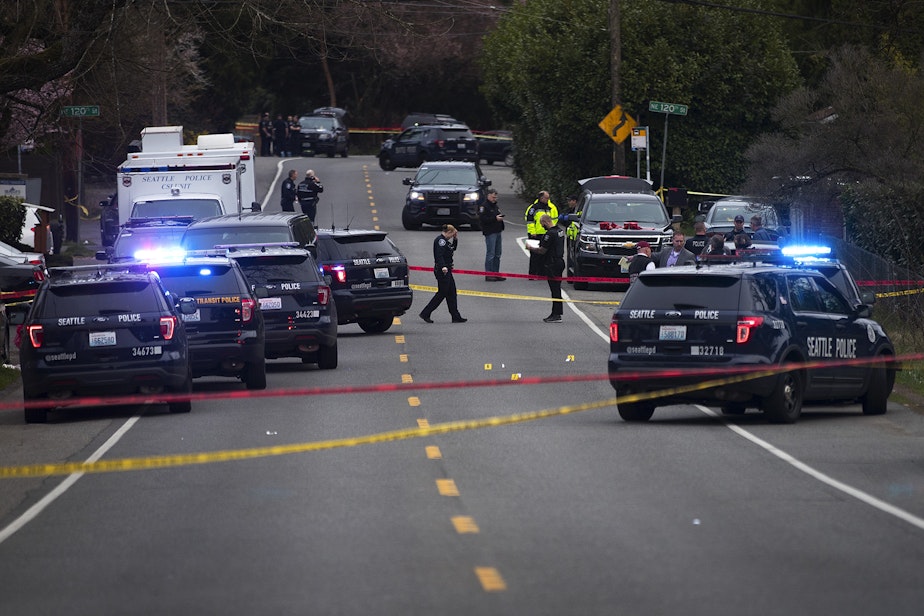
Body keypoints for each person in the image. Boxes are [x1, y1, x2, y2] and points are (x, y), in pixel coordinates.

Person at [419, 225, 467, 324]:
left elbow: (452, 248)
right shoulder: (440, 241)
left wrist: (455, 239)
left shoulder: (445, 241)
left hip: (447, 269)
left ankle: (455, 316)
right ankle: (425, 313)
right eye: (452, 234)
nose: (451, 236)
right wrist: (443, 266)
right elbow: (439, 255)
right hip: (443, 271)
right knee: (442, 293)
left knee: (452, 293)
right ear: (448, 232)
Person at [527, 214, 565, 322]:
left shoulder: (550, 234)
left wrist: (531, 248)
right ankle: (556, 313)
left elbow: (542, 250)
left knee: (555, 290)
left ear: (545, 222)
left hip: (552, 264)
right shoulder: (560, 231)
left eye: (542, 224)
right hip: (559, 261)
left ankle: (556, 314)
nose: (542, 226)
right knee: (556, 289)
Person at [524, 191, 558, 277]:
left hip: (546, 233)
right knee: (534, 255)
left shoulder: (548, 208)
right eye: (546, 198)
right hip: (535, 234)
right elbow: (530, 221)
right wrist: (532, 232)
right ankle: (532, 274)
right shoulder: (534, 208)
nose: (548, 200)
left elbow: (552, 220)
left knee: (544, 254)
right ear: (541, 198)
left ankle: (541, 273)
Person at [479, 188, 505, 281]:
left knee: (498, 254)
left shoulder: (495, 206)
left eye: (496, 197)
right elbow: (483, 219)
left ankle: (496, 273)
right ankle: (489, 274)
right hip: (490, 232)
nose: (495, 199)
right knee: (491, 254)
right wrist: (495, 218)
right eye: (493, 197)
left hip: (498, 231)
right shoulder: (484, 206)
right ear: (488, 196)